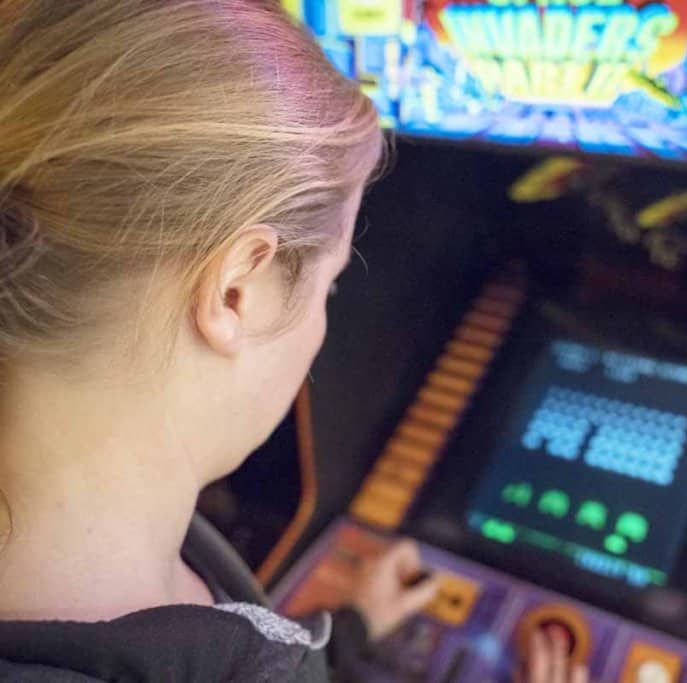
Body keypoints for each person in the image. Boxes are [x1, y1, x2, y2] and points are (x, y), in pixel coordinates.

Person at [0, 2, 588, 681]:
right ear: (234, 291)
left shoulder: (143, 552)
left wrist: (345, 638)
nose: (323, 323)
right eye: (327, 286)